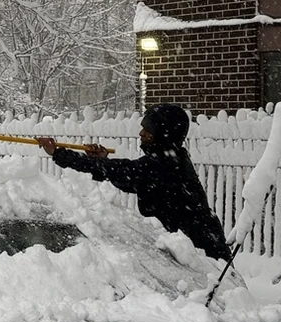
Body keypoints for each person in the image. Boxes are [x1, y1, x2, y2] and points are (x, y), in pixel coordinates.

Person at [36, 103, 233, 263]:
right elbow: (131, 179)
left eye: (148, 129)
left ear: (163, 133)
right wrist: (103, 162)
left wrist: (58, 153)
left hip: (202, 253)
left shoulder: (162, 165)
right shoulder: (173, 159)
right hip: (202, 246)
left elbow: (126, 172)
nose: (141, 133)